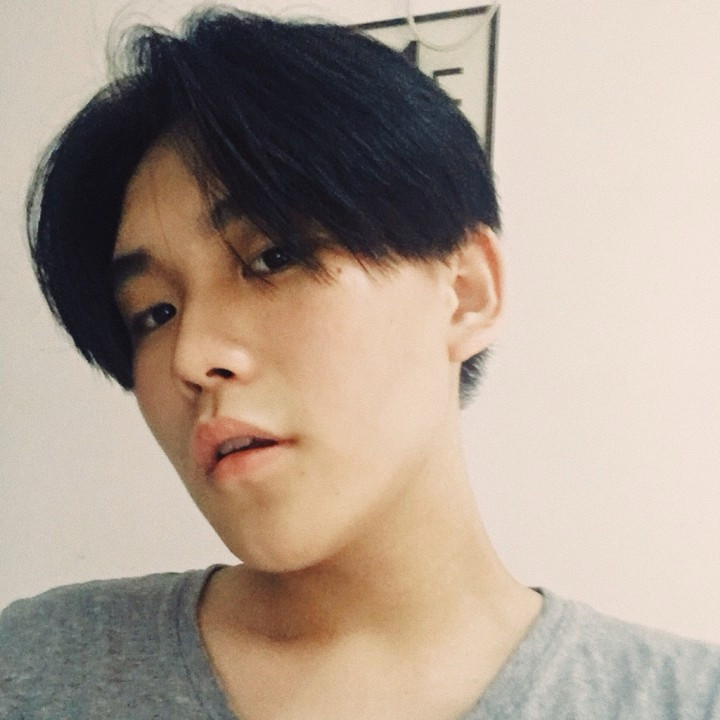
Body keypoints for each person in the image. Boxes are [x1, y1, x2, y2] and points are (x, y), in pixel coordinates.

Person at [1, 7, 718, 719]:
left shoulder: (683, 698)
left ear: (466, 292)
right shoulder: (38, 668)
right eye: (154, 314)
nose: (190, 356)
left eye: (272, 258)